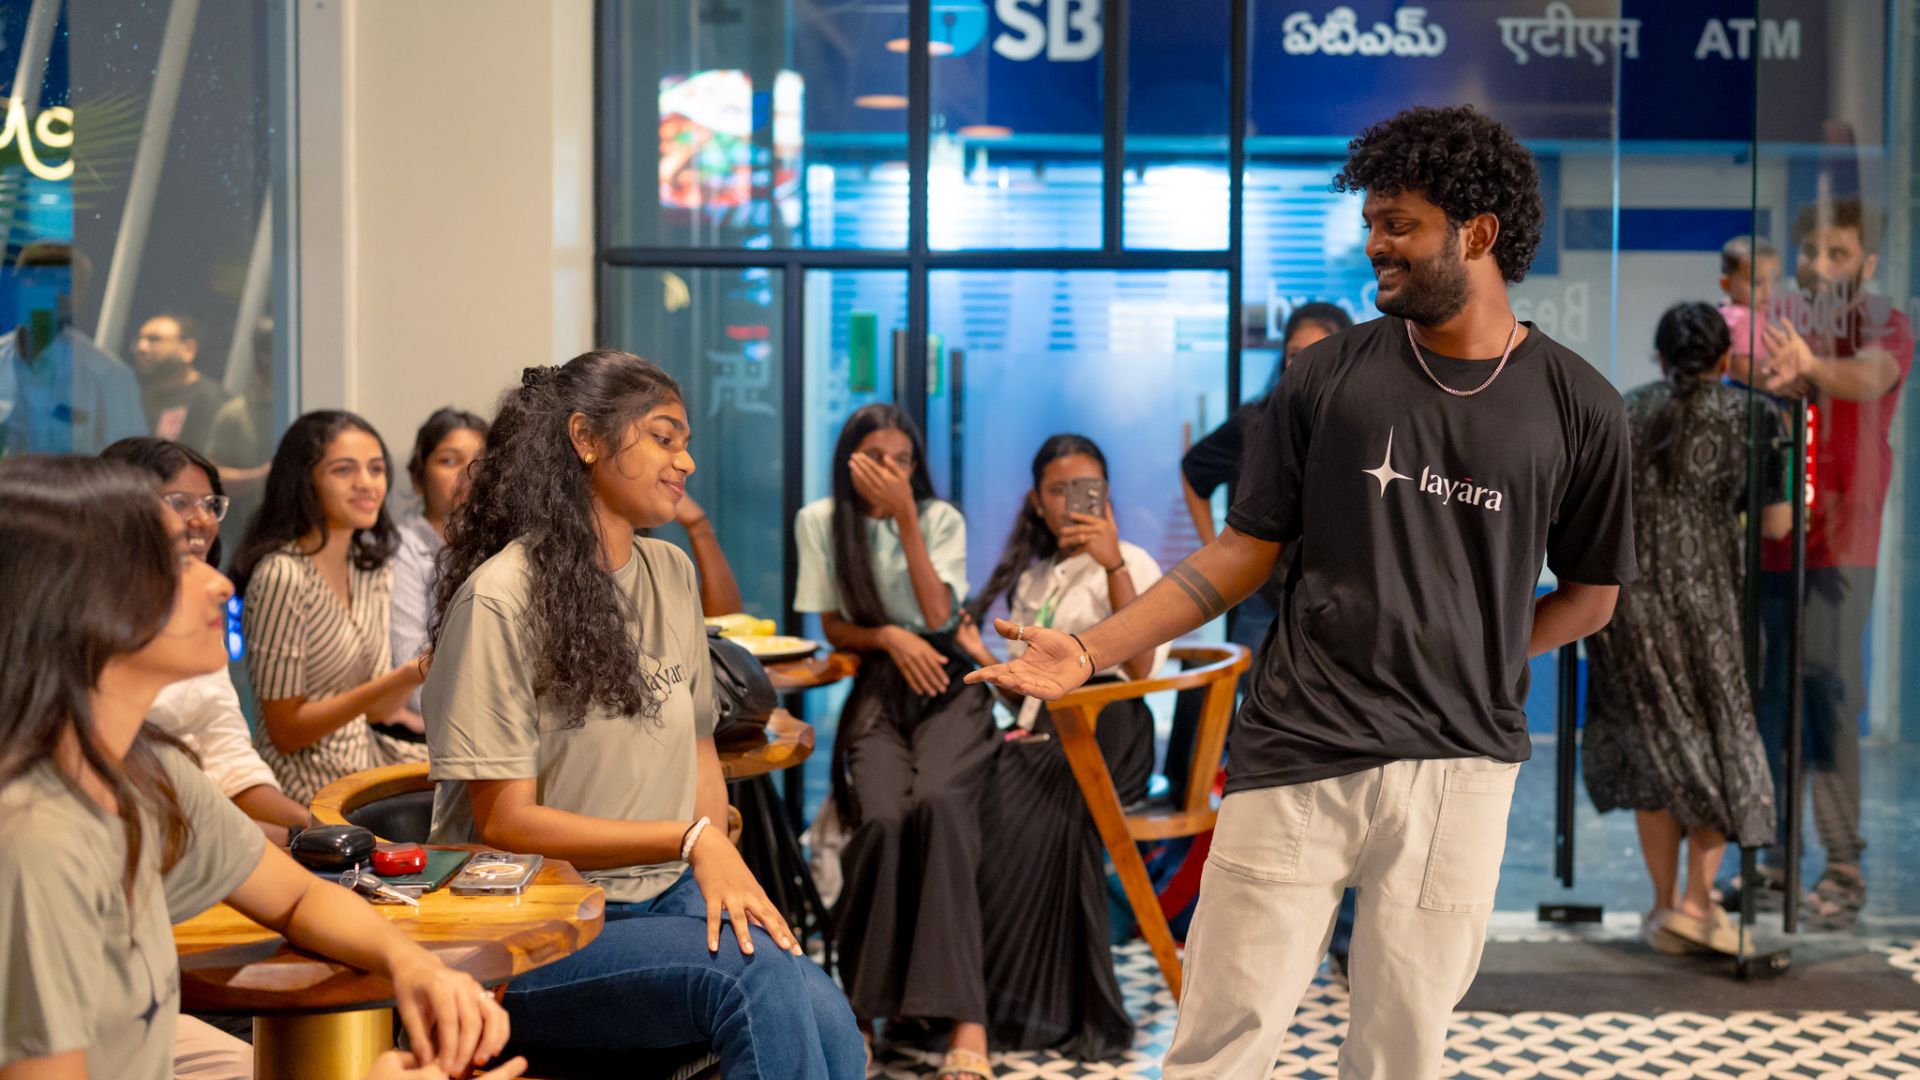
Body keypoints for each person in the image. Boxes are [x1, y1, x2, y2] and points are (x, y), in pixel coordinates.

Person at [968, 105, 1635, 1079]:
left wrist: (1474, 645)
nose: (1375, 245)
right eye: (1371, 222)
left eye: (1399, 223)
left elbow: (1591, 596)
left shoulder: (1581, 407)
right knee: (1221, 1042)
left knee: (1402, 1052)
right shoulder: (1327, 378)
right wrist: (1088, 648)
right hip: (1297, 748)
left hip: (1459, 770)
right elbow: (1240, 554)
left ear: (1478, 233)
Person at [0, 454, 523, 1080]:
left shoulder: (145, 769)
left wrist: (416, 967)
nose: (220, 584)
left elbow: (297, 895)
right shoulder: (36, 838)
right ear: (77, 598)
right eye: (177, 562)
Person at [424, 352, 862, 1079]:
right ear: (586, 439)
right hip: (532, 928)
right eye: (663, 437)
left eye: (686, 442)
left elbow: (698, 746)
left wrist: (715, 857)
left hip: (666, 898)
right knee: (756, 980)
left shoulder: (670, 573)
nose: (686, 461)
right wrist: (690, 839)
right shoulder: (500, 598)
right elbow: (505, 822)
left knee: (829, 1018)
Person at [792, 403, 996, 1080]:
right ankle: (861, 1009)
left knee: (940, 802)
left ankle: (967, 1017)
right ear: (848, 460)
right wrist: (887, 635)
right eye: (876, 458)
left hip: (948, 680)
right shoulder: (821, 521)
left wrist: (907, 517)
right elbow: (832, 625)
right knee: (879, 815)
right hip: (882, 684)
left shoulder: (939, 519)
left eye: (903, 460)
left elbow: (940, 613)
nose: (890, 471)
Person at [953, 434, 1167, 1061]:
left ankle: (1026, 1010)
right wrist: (979, 655)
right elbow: (1025, 691)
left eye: (1086, 488)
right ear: (1037, 501)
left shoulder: (1133, 561)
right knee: (967, 795)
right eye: (1057, 490)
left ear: (1105, 495)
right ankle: (985, 1001)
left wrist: (1112, 564)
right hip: (1046, 728)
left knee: (1017, 801)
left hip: (1112, 728)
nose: (1072, 501)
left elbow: (1143, 667)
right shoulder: (1035, 577)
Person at [1583, 303, 1788, 956]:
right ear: (1725, 358)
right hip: (1711, 608)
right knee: (1717, 741)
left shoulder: (1623, 410)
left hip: (1629, 607)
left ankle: (1663, 906)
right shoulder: (1755, 415)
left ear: (1660, 356)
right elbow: (1777, 525)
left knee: (1655, 749)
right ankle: (1700, 905)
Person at [1179, 300, 1362, 979]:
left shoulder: (1364, 425)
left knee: (1347, 767)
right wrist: (1218, 554)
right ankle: (1260, 933)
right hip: (1260, 609)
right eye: (1291, 359)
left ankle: (1345, 938)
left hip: (1340, 615)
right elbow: (1195, 472)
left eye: (1316, 357)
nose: (1301, 370)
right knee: (1261, 766)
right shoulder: (1257, 421)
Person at [1751, 197, 1914, 926]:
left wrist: (1812, 366)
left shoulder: (1886, 323)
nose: (1820, 265)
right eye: (1811, 250)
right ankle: (1774, 862)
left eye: (1838, 253)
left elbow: (1872, 377)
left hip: (1844, 544)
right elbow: (1746, 365)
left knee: (1829, 698)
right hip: (1774, 541)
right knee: (1771, 699)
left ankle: (1843, 866)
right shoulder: (1781, 314)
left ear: (1867, 263)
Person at [99, 437, 314, 846]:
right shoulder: (92, 628)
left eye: (210, 504)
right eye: (179, 502)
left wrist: (315, 830)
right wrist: (296, 840)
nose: (201, 519)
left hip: (203, 829)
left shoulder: (197, 609)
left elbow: (227, 754)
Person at [231, 410, 428, 804]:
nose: (366, 483)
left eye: (376, 469)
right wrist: (404, 674)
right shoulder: (282, 575)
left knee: (480, 777)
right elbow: (286, 732)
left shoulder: (371, 568)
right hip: (305, 782)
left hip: (365, 762)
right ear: (305, 481)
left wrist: (420, 673)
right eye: (344, 470)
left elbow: (377, 712)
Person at [391, 407, 490, 723]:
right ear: (418, 478)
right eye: (449, 461)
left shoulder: (497, 542)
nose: (468, 472)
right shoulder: (402, 548)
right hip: (435, 724)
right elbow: (411, 677)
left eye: (480, 461)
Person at [0, 243, 146, 456]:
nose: (50, 292)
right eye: (38, 279)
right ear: (16, 284)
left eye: (64, 284)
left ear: (79, 296)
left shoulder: (107, 375)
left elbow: (131, 462)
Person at [132, 313, 230, 450]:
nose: (141, 347)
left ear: (188, 349)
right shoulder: (139, 398)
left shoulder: (212, 401)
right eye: (139, 339)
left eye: (154, 339)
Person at [1719, 235, 1781, 390]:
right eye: (1756, 283)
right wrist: (1775, 385)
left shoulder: (1742, 310)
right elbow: (1742, 369)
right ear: (1726, 284)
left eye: (1775, 281)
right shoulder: (1742, 317)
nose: (1768, 291)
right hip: (1744, 389)